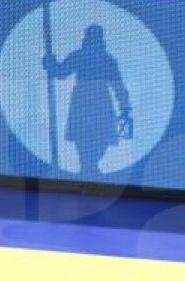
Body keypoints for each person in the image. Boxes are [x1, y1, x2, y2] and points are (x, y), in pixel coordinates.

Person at [43, 24, 133, 175]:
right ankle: (87, 167)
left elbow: (118, 85)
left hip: (99, 101)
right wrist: (51, 63)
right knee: (83, 136)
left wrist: (125, 106)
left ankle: (90, 167)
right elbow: (61, 72)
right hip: (83, 101)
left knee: (101, 137)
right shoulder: (80, 56)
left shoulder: (107, 60)